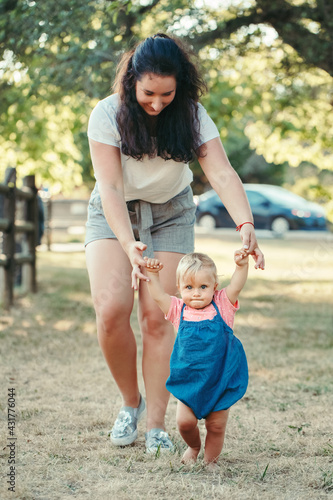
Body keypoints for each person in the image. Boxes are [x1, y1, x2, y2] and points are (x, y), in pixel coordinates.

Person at [85, 32, 265, 454]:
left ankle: (156, 425)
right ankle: (131, 403)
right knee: (112, 311)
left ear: (180, 85)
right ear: (131, 80)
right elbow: (109, 187)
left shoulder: (193, 115)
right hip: (114, 214)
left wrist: (245, 223)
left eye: (167, 93)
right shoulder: (107, 114)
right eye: (149, 92)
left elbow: (221, 173)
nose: (157, 103)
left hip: (171, 212)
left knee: (159, 316)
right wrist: (129, 245)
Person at [144, 251, 249, 467]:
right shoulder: (178, 310)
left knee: (216, 426)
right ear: (180, 288)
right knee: (184, 423)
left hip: (219, 380)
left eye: (203, 287)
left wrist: (241, 266)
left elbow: (237, 286)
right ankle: (193, 446)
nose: (196, 294)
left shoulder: (223, 306)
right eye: (189, 288)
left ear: (215, 286)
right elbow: (157, 296)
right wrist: (153, 276)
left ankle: (211, 462)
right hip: (189, 381)